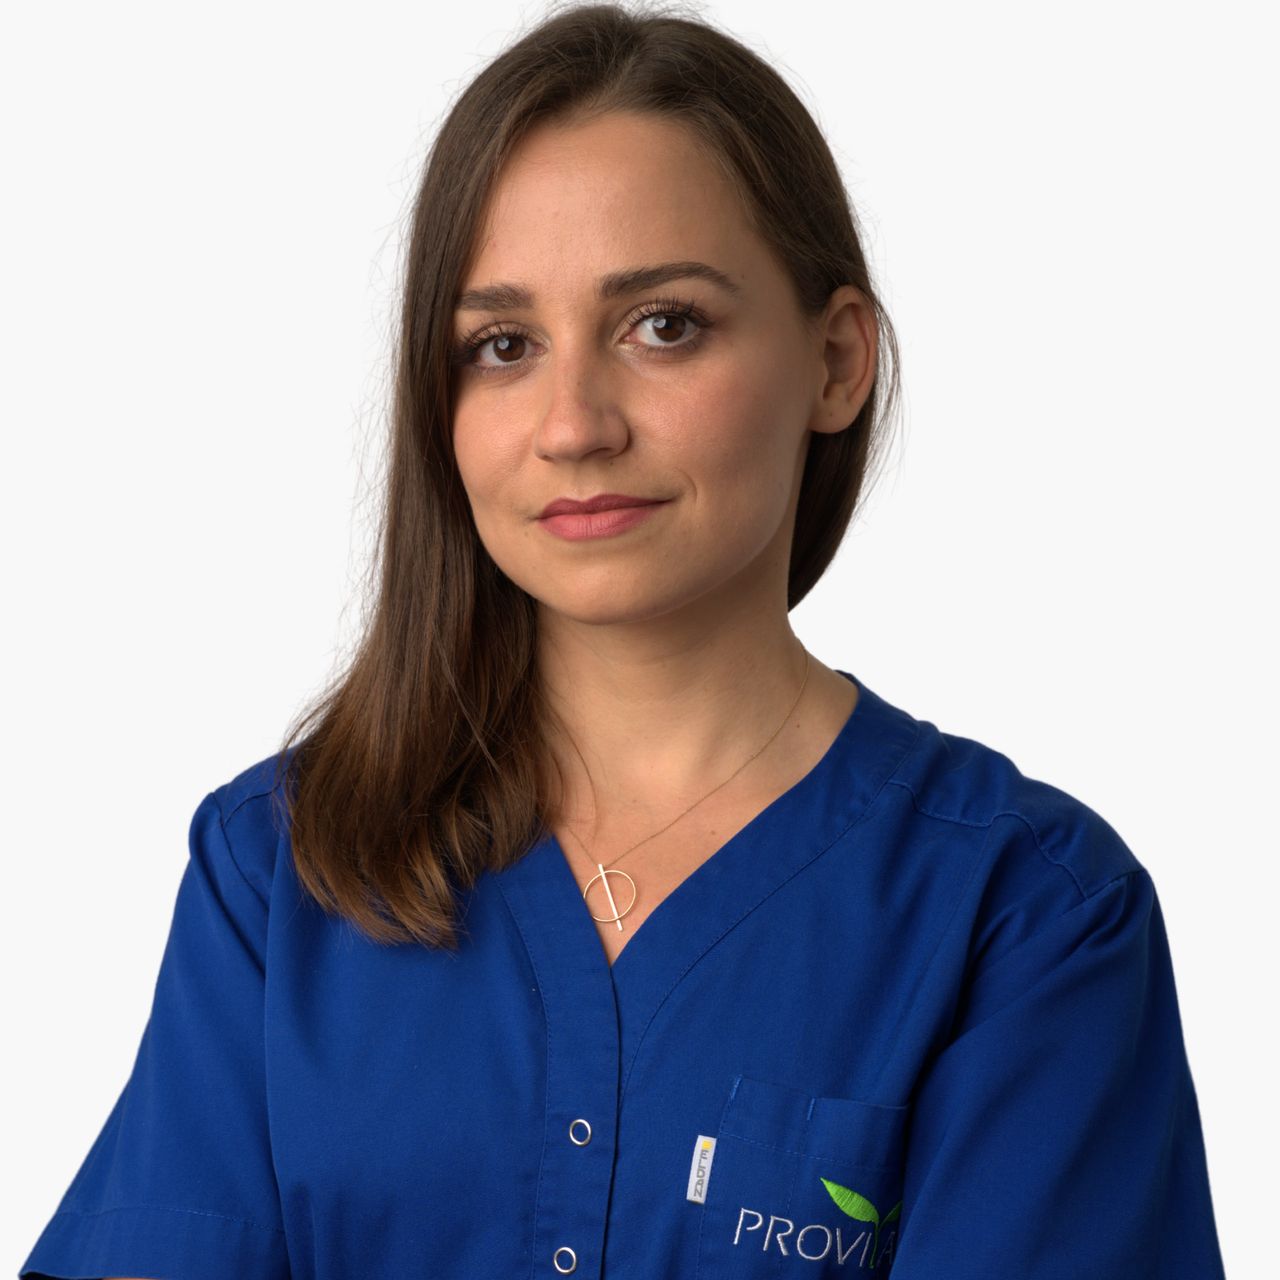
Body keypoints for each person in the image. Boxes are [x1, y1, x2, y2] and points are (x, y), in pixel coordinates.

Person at [19, 3, 1226, 1278]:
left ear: (834, 360)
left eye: (663, 324)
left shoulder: (1026, 915)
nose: (573, 424)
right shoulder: (283, 872)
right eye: (501, 346)